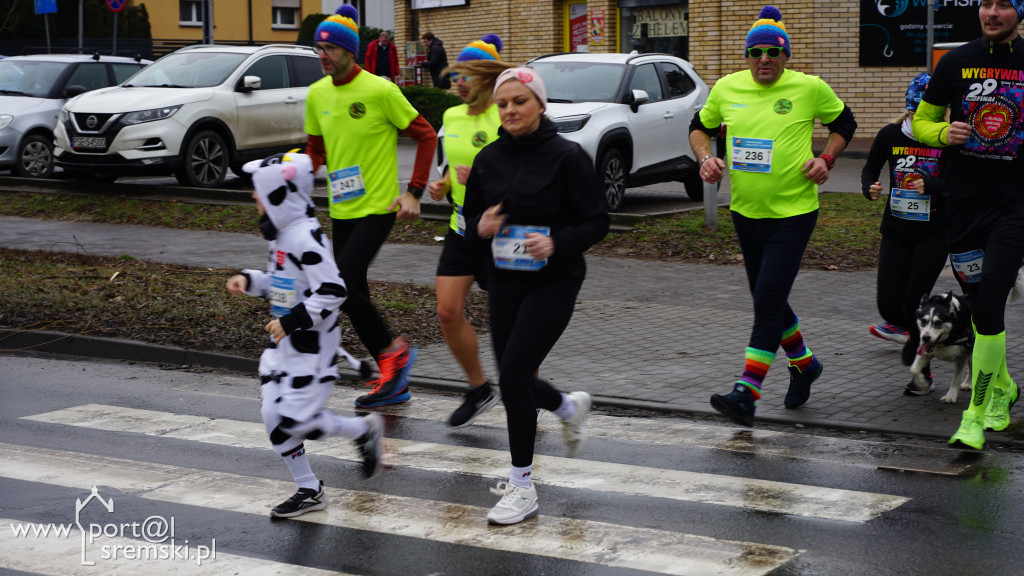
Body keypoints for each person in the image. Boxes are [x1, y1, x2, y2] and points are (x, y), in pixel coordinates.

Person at [688, 5, 857, 426]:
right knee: (770, 299)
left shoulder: (809, 87)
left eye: (773, 52)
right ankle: (804, 364)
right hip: (746, 213)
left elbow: (846, 123)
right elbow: (698, 126)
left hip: (794, 212)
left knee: (766, 301)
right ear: (747, 56)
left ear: (786, 56)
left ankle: (747, 392)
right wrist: (705, 158)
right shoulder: (727, 89)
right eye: (756, 51)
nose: (764, 58)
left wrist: (827, 159)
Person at [463, 67, 610, 525]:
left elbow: (597, 220)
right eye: (503, 103)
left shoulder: (568, 157)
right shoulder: (488, 160)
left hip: (555, 277)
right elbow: (470, 224)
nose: (509, 110)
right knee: (517, 379)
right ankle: (569, 407)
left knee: (511, 376)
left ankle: (522, 486)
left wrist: (557, 243)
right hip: (505, 279)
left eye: (519, 101)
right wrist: (481, 228)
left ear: (540, 105)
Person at [226, 151, 383, 518]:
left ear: (279, 194)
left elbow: (333, 289)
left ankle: (362, 430)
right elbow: (286, 286)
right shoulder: (281, 235)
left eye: (258, 192)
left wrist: (293, 320)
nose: (253, 198)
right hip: (283, 347)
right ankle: (310, 490)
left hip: (312, 349)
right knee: (272, 419)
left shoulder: (304, 237)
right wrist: (250, 281)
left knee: (296, 422)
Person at [306, 6, 437, 408]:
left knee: (339, 286)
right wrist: (287, 185)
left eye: (329, 48)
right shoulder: (317, 94)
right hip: (340, 208)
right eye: (318, 48)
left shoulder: (380, 90)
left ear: (350, 52)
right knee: (350, 291)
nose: (322, 55)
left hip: (378, 207)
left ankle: (394, 353)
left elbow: (427, 135)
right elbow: (315, 151)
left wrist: (414, 190)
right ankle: (394, 379)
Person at [912, 0, 1024, 449]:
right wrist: (943, 133)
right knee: (978, 306)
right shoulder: (955, 62)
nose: (992, 13)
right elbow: (920, 121)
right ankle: (1003, 387)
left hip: (1014, 205)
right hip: (962, 204)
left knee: (993, 295)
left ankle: (974, 416)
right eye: (986, 4)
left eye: (1004, 5)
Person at [428, 34, 513, 428]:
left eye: (466, 76)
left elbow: (525, 172)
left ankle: (524, 390)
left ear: (488, 78)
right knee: (447, 311)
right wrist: (443, 184)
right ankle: (479, 388)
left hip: (503, 233)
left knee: (510, 328)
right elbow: (452, 167)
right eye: (455, 75)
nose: (457, 83)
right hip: (462, 229)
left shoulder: (506, 115)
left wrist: (483, 177)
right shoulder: (451, 117)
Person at [860, 73, 950, 393]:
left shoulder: (946, 138)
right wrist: (869, 187)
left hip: (934, 233)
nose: (918, 119)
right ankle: (921, 336)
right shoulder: (890, 135)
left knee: (914, 300)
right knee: (888, 304)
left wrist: (933, 186)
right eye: (914, 113)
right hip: (896, 229)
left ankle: (921, 371)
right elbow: (870, 168)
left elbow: (962, 185)